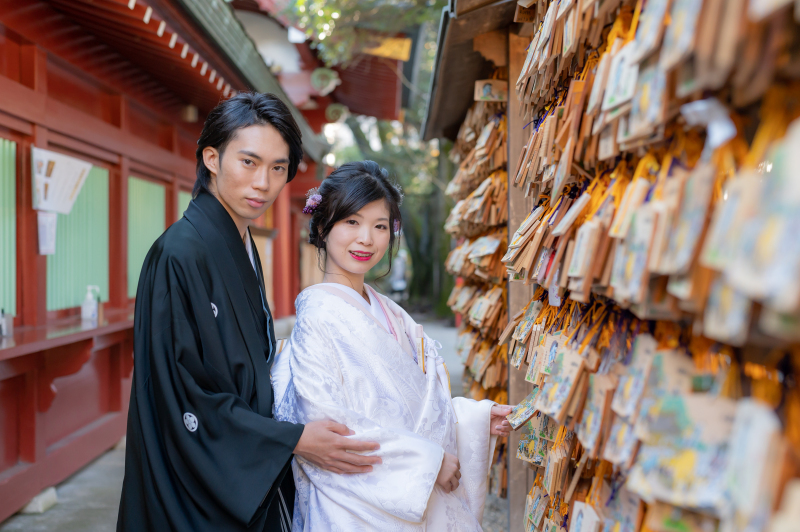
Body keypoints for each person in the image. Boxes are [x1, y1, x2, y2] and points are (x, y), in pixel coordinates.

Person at [117, 93, 381, 532]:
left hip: (241, 464)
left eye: (278, 168)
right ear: (212, 158)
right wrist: (289, 440)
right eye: (249, 162)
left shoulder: (242, 244)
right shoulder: (177, 254)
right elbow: (181, 394)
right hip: (192, 478)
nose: (264, 183)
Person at [271, 161, 513, 530]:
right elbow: (324, 428)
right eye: (351, 221)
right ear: (322, 227)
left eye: (380, 226)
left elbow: (413, 402)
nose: (366, 238)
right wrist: (426, 464)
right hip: (353, 511)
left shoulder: (390, 312)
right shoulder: (318, 316)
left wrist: (472, 417)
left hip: (417, 498)